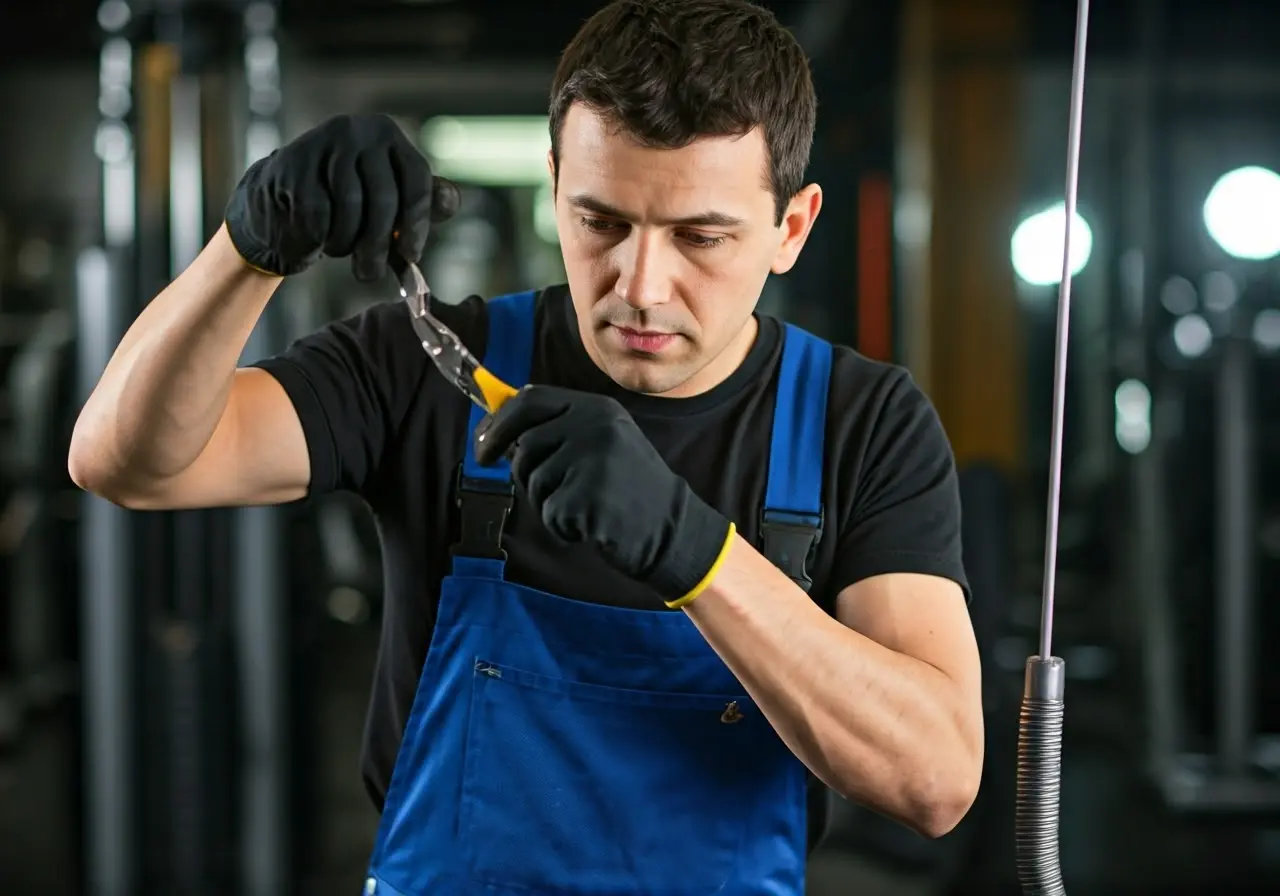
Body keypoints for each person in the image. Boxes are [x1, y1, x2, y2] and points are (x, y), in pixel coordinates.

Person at [69, 0, 984, 892]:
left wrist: (694, 553)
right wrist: (247, 249)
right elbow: (126, 461)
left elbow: (934, 780)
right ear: (555, 184)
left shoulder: (860, 422)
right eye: (602, 223)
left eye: (701, 237)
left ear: (792, 227)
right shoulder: (433, 364)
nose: (642, 286)